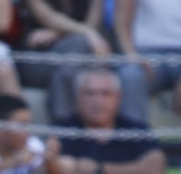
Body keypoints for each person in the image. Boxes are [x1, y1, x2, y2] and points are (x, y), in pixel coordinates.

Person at [16, 0, 146, 125]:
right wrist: (85, 32)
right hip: (38, 58)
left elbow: (92, 23)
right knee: (80, 48)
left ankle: (65, 131)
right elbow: (44, 16)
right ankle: (69, 130)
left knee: (77, 55)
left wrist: (58, 33)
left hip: (79, 52)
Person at [54, 66, 165, 174]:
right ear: (77, 97)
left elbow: (156, 166)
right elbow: (56, 168)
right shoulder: (64, 130)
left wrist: (99, 169)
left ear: (119, 97)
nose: (97, 101)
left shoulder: (135, 130)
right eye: (90, 93)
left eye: (105, 93)